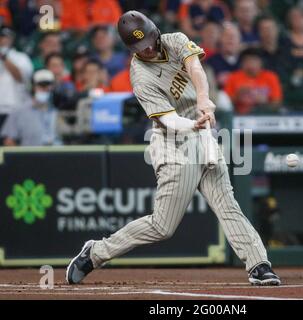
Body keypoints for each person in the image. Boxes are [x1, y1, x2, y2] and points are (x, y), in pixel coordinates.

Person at [66, 10, 281, 286]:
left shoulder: (174, 40)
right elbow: (167, 119)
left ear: (156, 33)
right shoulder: (140, 75)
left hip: (202, 134)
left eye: (150, 42)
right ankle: (95, 253)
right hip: (174, 143)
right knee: (162, 226)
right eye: (140, 48)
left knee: (227, 205)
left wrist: (203, 99)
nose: (148, 50)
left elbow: (194, 67)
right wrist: (192, 125)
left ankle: (258, 264)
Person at [1, 69, 62, 146]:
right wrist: (20, 157)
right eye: (41, 85)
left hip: (57, 156)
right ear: (33, 87)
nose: (45, 88)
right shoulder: (19, 111)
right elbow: (9, 141)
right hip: (30, 156)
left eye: (48, 85)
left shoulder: (57, 110)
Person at [224, 47, 283, 114]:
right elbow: (224, 103)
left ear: (261, 62)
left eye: (254, 60)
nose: (251, 64)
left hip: (265, 114)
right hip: (239, 115)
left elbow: (277, 102)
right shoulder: (233, 77)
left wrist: (265, 101)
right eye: (247, 61)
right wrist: (238, 96)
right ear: (242, 63)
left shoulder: (271, 77)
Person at [0, 26, 33, 133]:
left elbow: (20, 77)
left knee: (12, 144)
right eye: (1, 37)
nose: (4, 40)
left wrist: (4, 57)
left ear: (12, 39)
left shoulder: (21, 57)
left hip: (15, 110)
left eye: (7, 37)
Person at [206, 22, 241, 88]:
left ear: (240, 40)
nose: (230, 38)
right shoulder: (211, 62)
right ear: (220, 39)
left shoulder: (245, 60)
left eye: (234, 36)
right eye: (227, 35)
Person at [256, 15, 292, 80]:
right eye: (264, 29)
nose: (268, 32)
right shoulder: (255, 55)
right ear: (259, 32)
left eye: (271, 28)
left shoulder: (288, 51)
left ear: (277, 30)